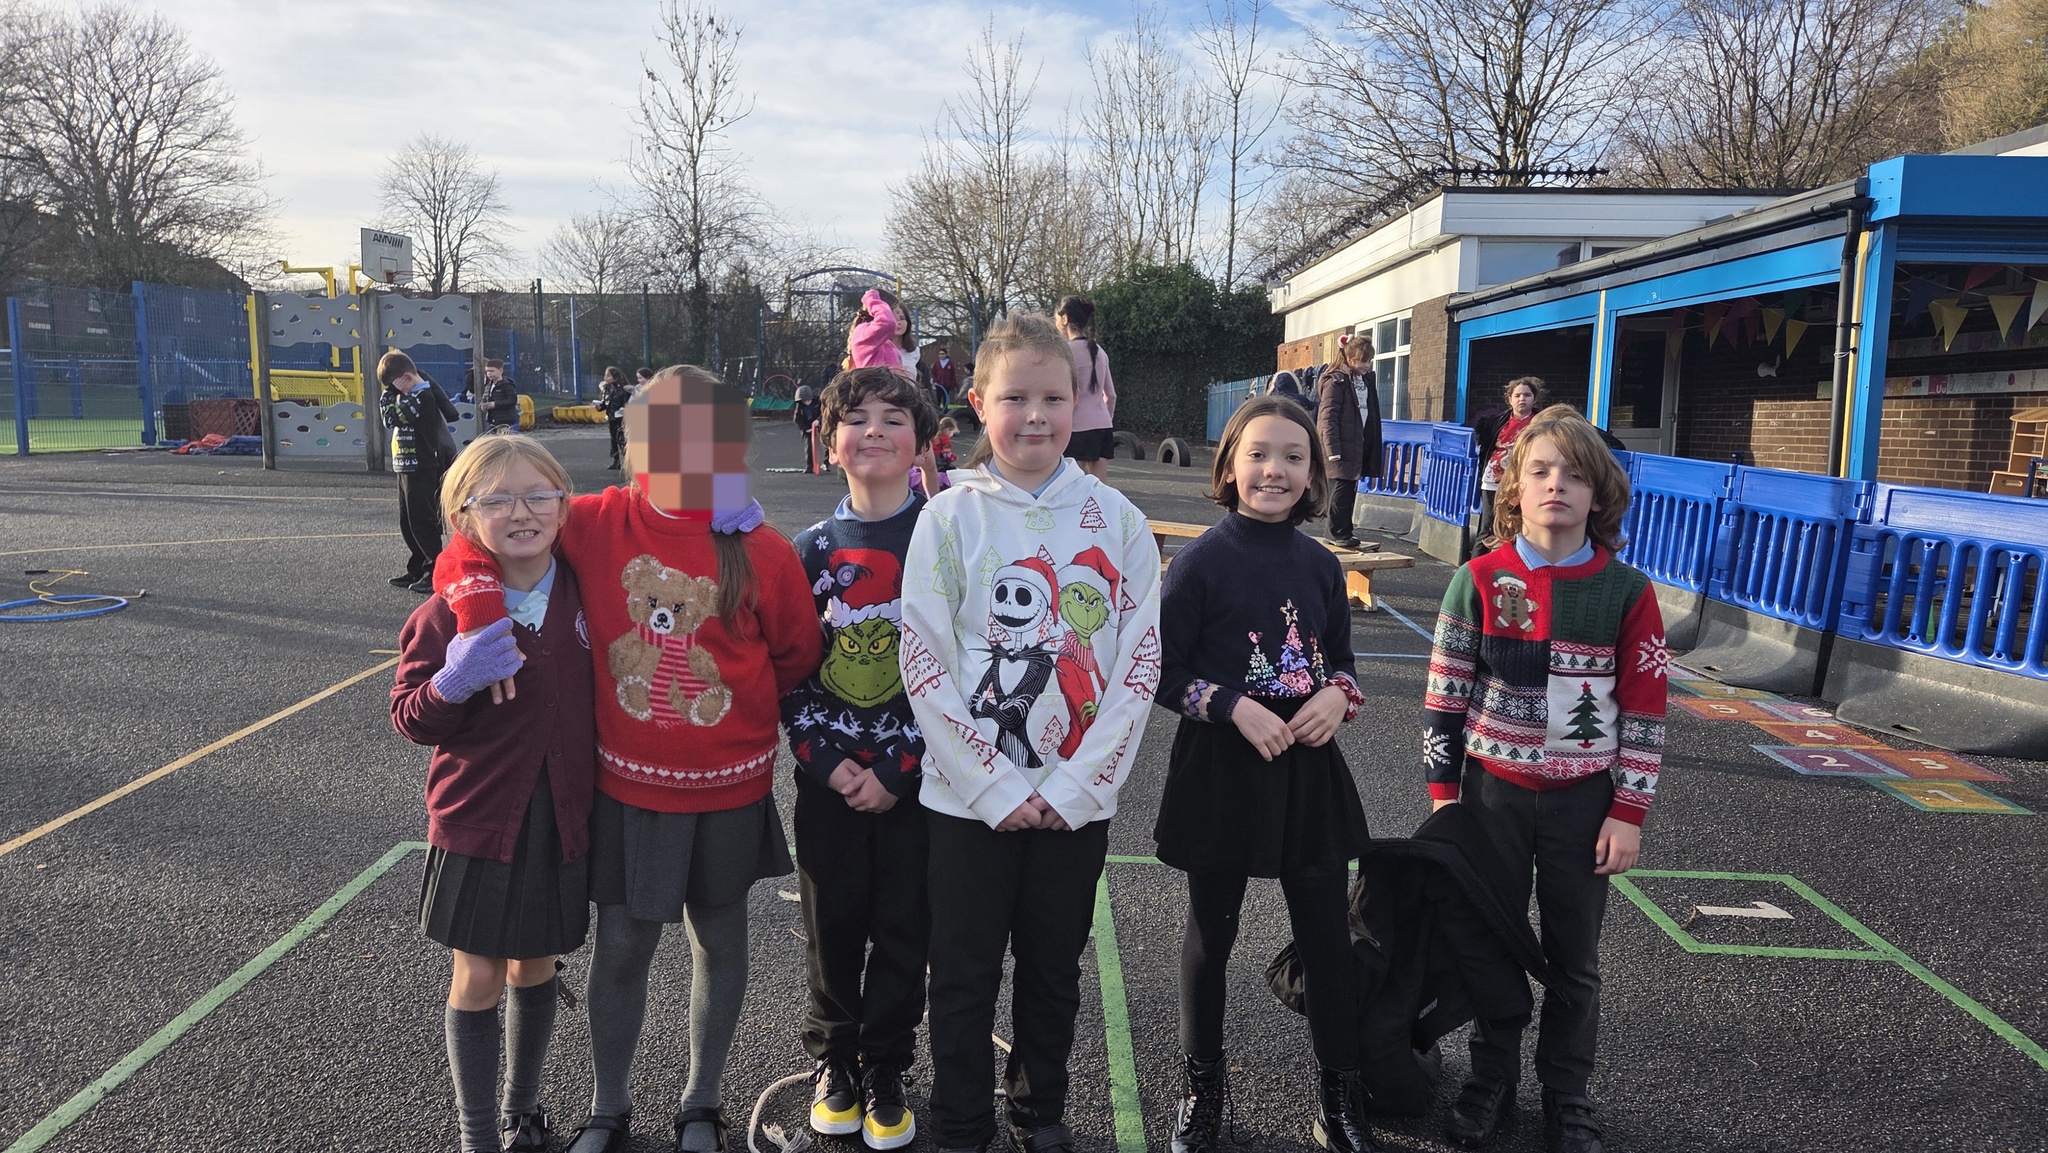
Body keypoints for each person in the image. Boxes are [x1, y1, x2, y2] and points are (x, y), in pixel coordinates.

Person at [432, 367, 824, 1153]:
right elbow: (473, 540)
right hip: (632, 792)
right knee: (622, 948)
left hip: (729, 792)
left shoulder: (762, 549)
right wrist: (476, 609)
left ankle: (702, 1101)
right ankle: (608, 1106)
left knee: (721, 942)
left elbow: (795, 655)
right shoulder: (594, 521)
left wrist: (724, 718)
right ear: (635, 443)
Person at [900, 312, 1161, 1153]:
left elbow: (1139, 665)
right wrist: (994, 784)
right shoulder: (948, 518)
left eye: (1054, 397)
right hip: (965, 804)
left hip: (1072, 806)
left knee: (1053, 969)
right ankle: (962, 1122)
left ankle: (1039, 1110)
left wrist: (1075, 786)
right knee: (963, 972)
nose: (1037, 415)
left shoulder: (1119, 520)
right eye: (1016, 397)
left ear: (1080, 402)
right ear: (978, 402)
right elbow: (925, 660)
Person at [1421, 404, 1666, 1153]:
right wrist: (1446, 800)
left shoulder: (1628, 591)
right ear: (1514, 489)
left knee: (1574, 958)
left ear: (1600, 494)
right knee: (1489, 942)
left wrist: (1628, 811)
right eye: (1540, 471)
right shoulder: (1478, 578)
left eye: (1575, 474)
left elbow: (1646, 710)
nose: (1557, 484)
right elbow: (1444, 697)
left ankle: (1566, 1090)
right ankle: (1490, 1077)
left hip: (1584, 801)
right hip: (1491, 794)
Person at [1151, 395, 1378, 1153]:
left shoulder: (1321, 564)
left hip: (1306, 772)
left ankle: (1340, 1094)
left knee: (1326, 937)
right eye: (1258, 454)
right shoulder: (1199, 563)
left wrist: (1336, 695)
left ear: (1313, 474)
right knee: (1210, 936)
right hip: (1221, 770)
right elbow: (1162, 672)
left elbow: (1341, 661)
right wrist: (1231, 706)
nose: (1274, 469)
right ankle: (1201, 1089)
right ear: (1229, 465)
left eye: (1292, 456)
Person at [393, 435, 593, 1153]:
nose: (521, 512)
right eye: (497, 499)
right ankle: (477, 1134)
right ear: (462, 516)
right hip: (479, 818)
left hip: (562, 815)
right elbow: (410, 715)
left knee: (535, 964)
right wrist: (453, 681)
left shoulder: (585, 591)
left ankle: (522, 1109)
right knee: (478, 972)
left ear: (564, 506)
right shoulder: (445, 613)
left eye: (539, 495)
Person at [780, 366, 940, 1150]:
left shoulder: (945, 541)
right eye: (856, 418)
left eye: (893, 417)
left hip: (920, 783)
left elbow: (963, 673)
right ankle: (834, 1059)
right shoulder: (805, 552)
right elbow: (789, 673)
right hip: (831, 780)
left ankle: (887, 1064)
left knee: (907, 927)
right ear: (828, 439)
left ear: (922, 441)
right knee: (832, 923)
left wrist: (900, 766)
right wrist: (826, 761)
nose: (873, 430)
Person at [380, 351, 461, 594]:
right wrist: (393, 391)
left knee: (422, 520)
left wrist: (391, 395)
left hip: (423, 465)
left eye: (394, 385)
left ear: (407, 377)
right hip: (405, 465)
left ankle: (436, 570)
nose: (392, 391)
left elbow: (394, 416)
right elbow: (391, 416)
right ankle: (418, 566)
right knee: (407, 521)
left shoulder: (422, 397)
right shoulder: (406, 395)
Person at [1314, 335, 1383, 551]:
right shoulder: (1336, 381)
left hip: (1354, 443)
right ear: (1349, 358)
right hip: (1339, 446)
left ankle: (1343, 531)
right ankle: (1336, 532)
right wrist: (1332, 448)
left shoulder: (1361, 380)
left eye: (1368, 360)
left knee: (1348, 489)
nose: (1366, 365)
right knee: (1340, 490)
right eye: (1361, 360)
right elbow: (1327, 417)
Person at [1474, 377, 1546, 545]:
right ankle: (1477, 561)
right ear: (1509, 399)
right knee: (1487, 528)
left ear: (1534, 398)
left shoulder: (1542, 423)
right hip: (1494, 478)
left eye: (1527, 395)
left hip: (1524, 480)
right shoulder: (1495, 423)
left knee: (1517, 525)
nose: (1522, 399)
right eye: (1517, 395)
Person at [1054, 296, 1116, 481]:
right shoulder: (1100, 352)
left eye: (1055, 318)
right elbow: (1111, 395)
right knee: (1100, 487)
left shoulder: (1064, 353)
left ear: (1064, 319)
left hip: (1075, 427)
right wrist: (1106, 418)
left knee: (1073, 485)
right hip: (1102, 426)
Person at [848, 288, 917, 380]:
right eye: (895, 312)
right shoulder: (863, 332)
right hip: (874, 387)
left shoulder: (886, 343)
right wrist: (872, 298)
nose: (897, 318)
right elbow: (887, 322)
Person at [597, 366, 633, 471]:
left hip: (622, 419)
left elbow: (627, 403)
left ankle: (628, 461)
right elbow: (605, 404)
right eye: (605, 375)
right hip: (612, 418)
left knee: (622, 440)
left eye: (608, 375)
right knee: (614, 440)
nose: (605, 378)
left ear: (615, 377)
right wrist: (599, 407)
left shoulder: (624, 389)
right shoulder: (607, 389)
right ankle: (616, 461)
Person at [793, 385, 825, 474]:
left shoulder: (818, 402)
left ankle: (826, 463)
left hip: (819, 425)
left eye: (808, 400)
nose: (807, 402)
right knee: (809, 447)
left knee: (826, 443)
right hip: (808, 428)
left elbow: (824, 413)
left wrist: (818, 420)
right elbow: (797, 420)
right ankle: (809, 466)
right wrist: (805, 429)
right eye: (804, 401)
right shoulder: (799, 406)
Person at [481, 360, 520, 430]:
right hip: (491, 419)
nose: (489, 373)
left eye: (492, 371)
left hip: (504, 419)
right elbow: (484, 398)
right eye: (487, 371)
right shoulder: (488, 385)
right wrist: (482, 405)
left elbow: (512, 401)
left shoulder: (507, 385)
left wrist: (495, 404)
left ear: (501, 371)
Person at [930, 343, 957, 408]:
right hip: (938, 384)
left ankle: (945, 409)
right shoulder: (937, 363)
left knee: (946, 398)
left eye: (943, 354)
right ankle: (938, 409)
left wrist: (952, 383)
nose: (941, 355)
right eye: (940, 354)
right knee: (938, 397)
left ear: (946, 354)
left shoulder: (950, 363)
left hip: (947, 384)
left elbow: (953, 374)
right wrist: (935, 381)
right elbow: (933, 373)